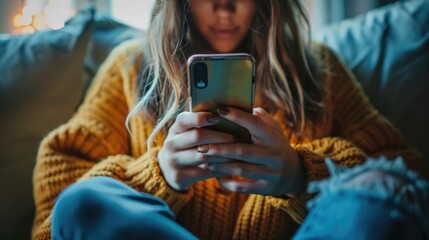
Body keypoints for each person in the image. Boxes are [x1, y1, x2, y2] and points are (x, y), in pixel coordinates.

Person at [32, 0, 429, 239]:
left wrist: (298, 174)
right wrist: (160, 175)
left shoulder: (318, 70)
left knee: (382, 191)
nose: (225, 7)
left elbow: (406, 183)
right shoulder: (131, 70)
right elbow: (54, 220)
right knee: (83, 203)